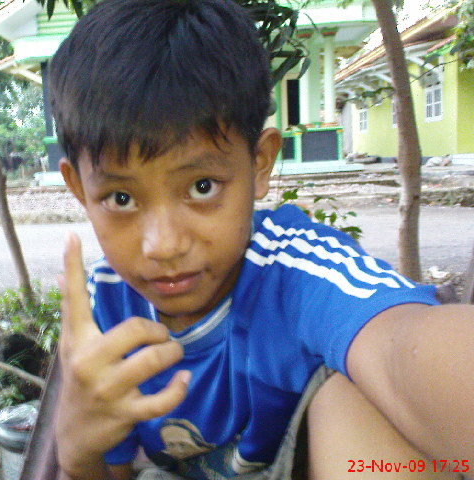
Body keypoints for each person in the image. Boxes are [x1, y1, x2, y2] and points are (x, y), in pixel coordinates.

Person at [48, 0, 474, 478]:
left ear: (260, 163)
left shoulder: (295, 270)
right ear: (79, 189)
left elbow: (401, 349)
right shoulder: (101, 306)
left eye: (201, 187)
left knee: (352, 397)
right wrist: (76, 449)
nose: (163, 246)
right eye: (122, 198)